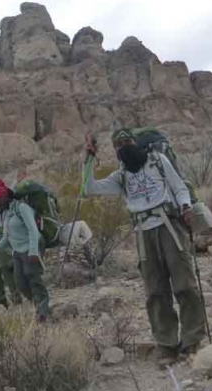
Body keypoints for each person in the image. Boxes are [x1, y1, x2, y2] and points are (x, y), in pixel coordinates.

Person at [82, 129, 205, 365]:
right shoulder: (121, 177)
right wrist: (88, 159)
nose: (123, 147)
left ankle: (191, 341)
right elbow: (89, 189)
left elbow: (178, 187)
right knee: (155, 291)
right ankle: (167, 345)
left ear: (135, 143)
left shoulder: (158, 161)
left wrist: (186, 207)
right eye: (118, 145)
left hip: (169, 227)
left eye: (127, 142)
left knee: (185, 284)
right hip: (143, 233)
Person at [0, 179, 50, 322]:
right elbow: (6, 238)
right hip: (17, 252)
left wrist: (33, 252)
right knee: (20, 283)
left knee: (33, 278)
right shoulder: (7, 214)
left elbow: (33, 230)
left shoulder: (22, 208)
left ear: (5, 197)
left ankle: (43, 310)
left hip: (30, 248)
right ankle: (38, 305)